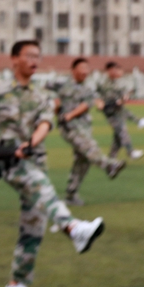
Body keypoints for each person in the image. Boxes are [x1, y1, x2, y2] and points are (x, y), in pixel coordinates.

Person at [0, 41, 107, 287]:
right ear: (14, 59)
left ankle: (16, 286)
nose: (34, 60)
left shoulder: (43, 94)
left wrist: (31, 144)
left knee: (33, 227)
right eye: (29, 55)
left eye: (37, 56)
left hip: (34, 159)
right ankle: (73, 228)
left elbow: (45, 123)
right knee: (41, 188)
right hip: (9, 159)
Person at [51, 57, 124, 205]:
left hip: (84, 126)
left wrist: (70, 114)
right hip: (69, 127)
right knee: (88, 146)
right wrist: (55, 105)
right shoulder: (60, 83)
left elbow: (87, 104)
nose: (85, 71)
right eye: (82, 68)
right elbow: (47, 94)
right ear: (73, 70)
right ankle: (108, 165)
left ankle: (71, 194)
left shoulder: (89, 87)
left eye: (87, 68)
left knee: (83, 160)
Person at [100, 60, 144, 160]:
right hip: (110, 112)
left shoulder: (115, 81)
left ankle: (111, 158)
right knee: (122, 131)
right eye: (114, 69)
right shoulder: (104, 83)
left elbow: (122, 94)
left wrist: (126, 96)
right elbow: (106, 97)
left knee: (118, 136)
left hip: (117, 110)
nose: (116, 72)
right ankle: (130, 151)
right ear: (109, 70)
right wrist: (117, 100)